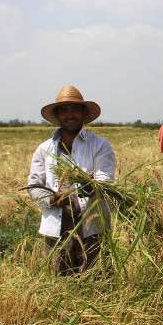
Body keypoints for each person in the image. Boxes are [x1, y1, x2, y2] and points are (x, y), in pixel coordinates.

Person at [27, 85, 116, 275]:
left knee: (96, 282)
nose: (70, 115)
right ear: (58, 116)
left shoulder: (99, 146)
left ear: (83, 113)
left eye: (74, 109)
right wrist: (53, 199)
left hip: (93, 229)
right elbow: (34, 186)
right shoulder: (44, 150)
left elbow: (105, 181)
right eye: (64, 110)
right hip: (55, 231)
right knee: (61, 285)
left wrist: (90, 186)